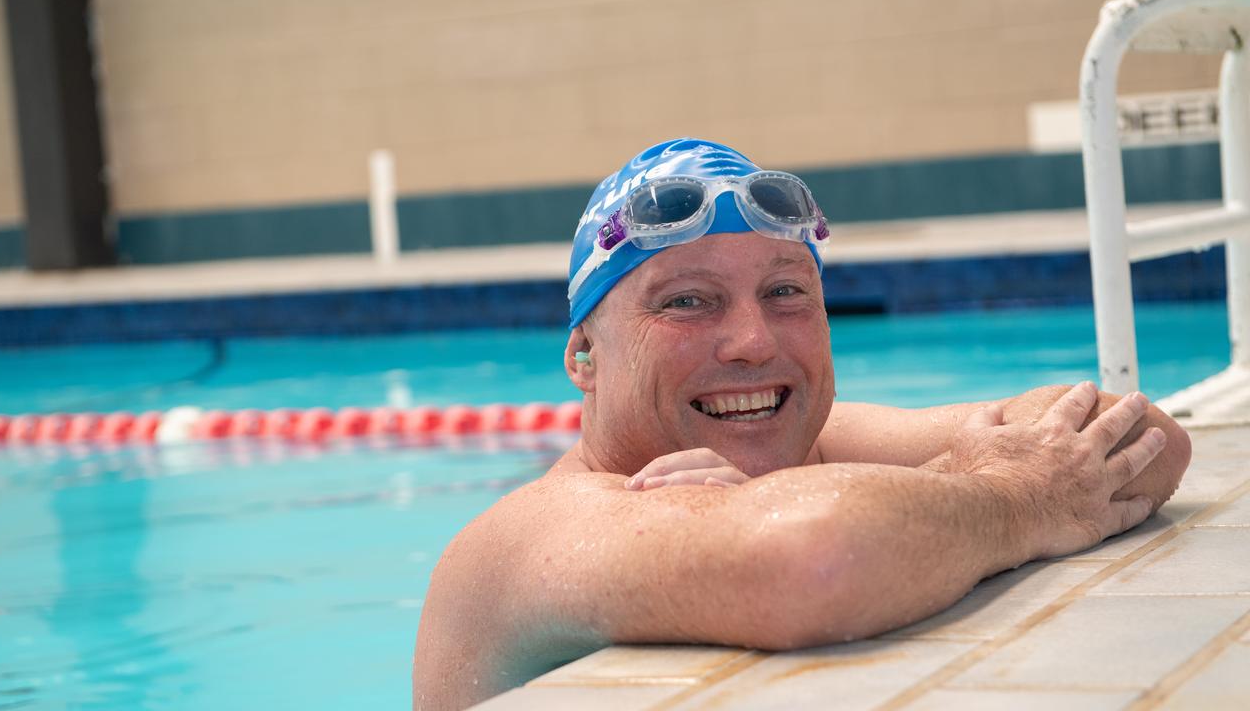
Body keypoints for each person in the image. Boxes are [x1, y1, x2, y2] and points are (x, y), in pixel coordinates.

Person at [412, 138, 1192, 710]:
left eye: (785, 293)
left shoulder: (813, 444)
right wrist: (1019, 497)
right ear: (584, 356)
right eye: (686, 301)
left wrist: (897, 507)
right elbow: (812, 562)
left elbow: (1137, 436)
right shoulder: (536, 531)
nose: (754, 342)